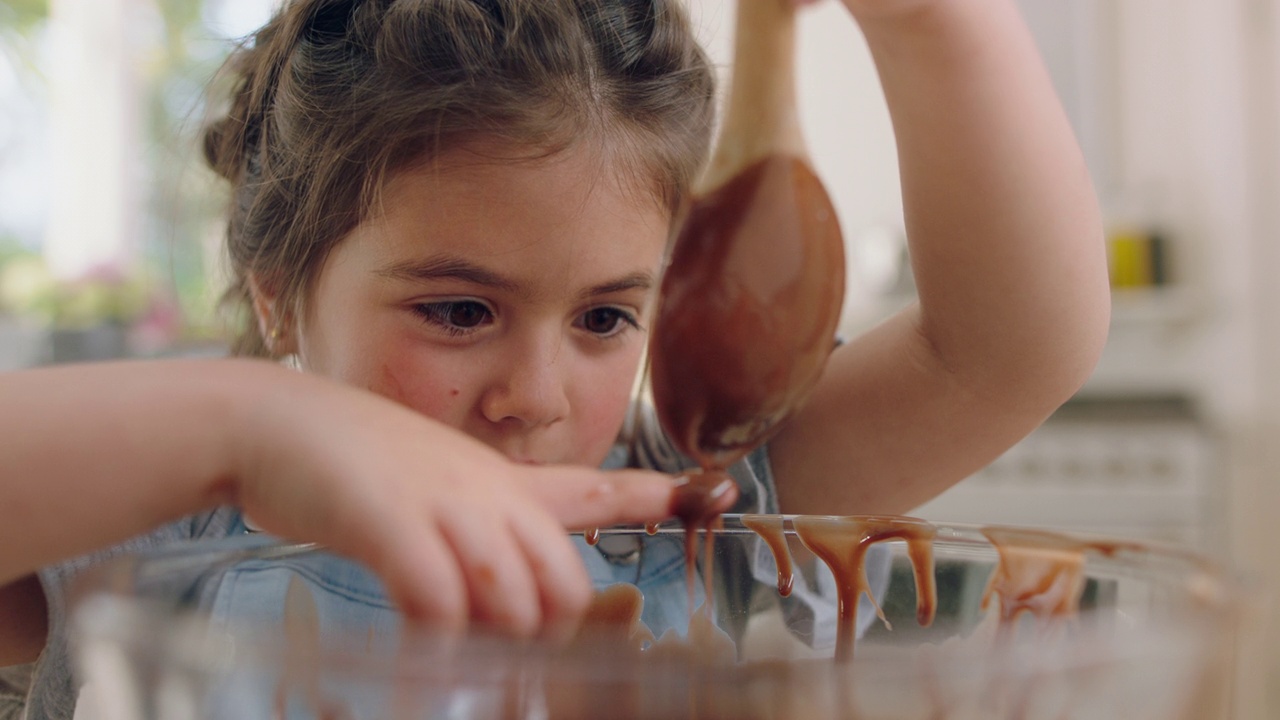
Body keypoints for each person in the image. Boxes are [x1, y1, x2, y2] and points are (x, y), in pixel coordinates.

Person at [0, 0, 1111, 716]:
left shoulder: (680, 513)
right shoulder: (159, 530)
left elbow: (999, 355)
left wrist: (933, 22)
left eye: (601, 321)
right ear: (280, 295)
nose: (532, 399)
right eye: (457, 311)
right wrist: (237, 430)